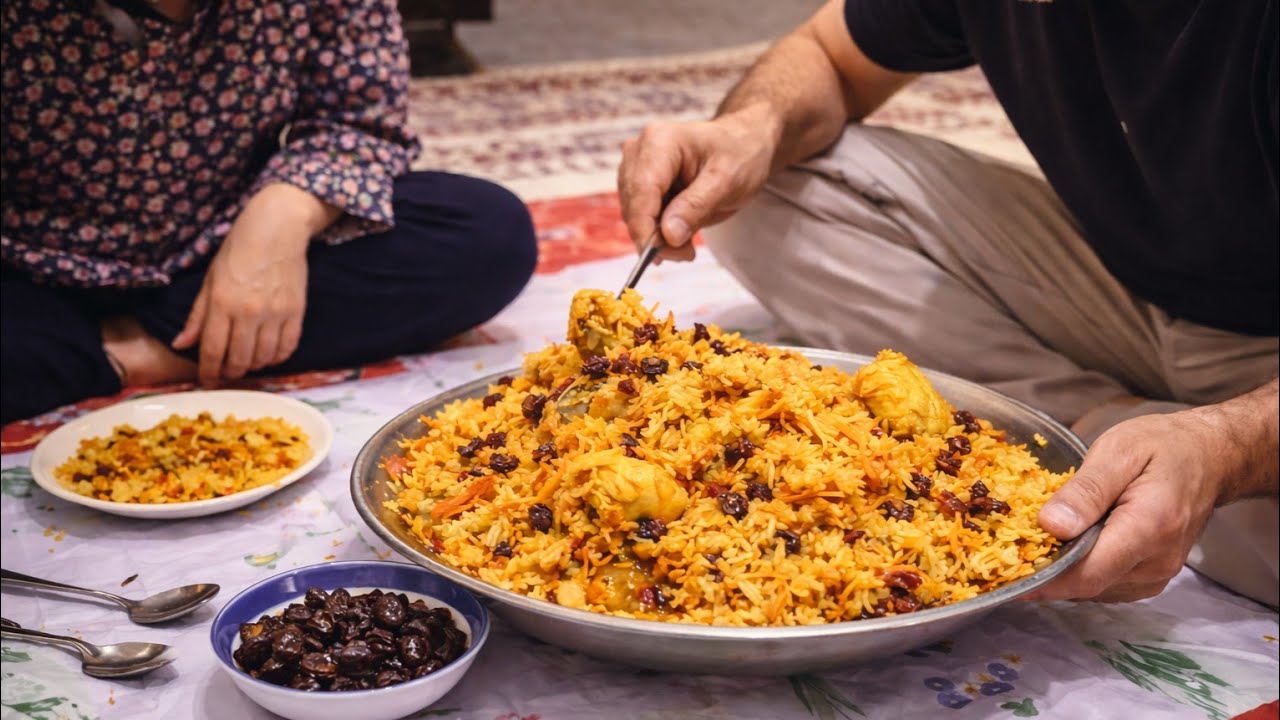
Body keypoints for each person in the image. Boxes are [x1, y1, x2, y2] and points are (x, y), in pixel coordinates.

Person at [617, 0, 1278, 606]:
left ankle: (1165, 467)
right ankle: (1106, 431)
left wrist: (1224, 448)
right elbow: (830, 55)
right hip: (1124, 281)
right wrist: (752, 127)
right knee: (760, 190)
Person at [0, 0, 538, 425]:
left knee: (489, 232)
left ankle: (134, 348)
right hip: (34, 270)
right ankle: (133, 348)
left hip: (223, 249)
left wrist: (283, 214)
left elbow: (361, 119)